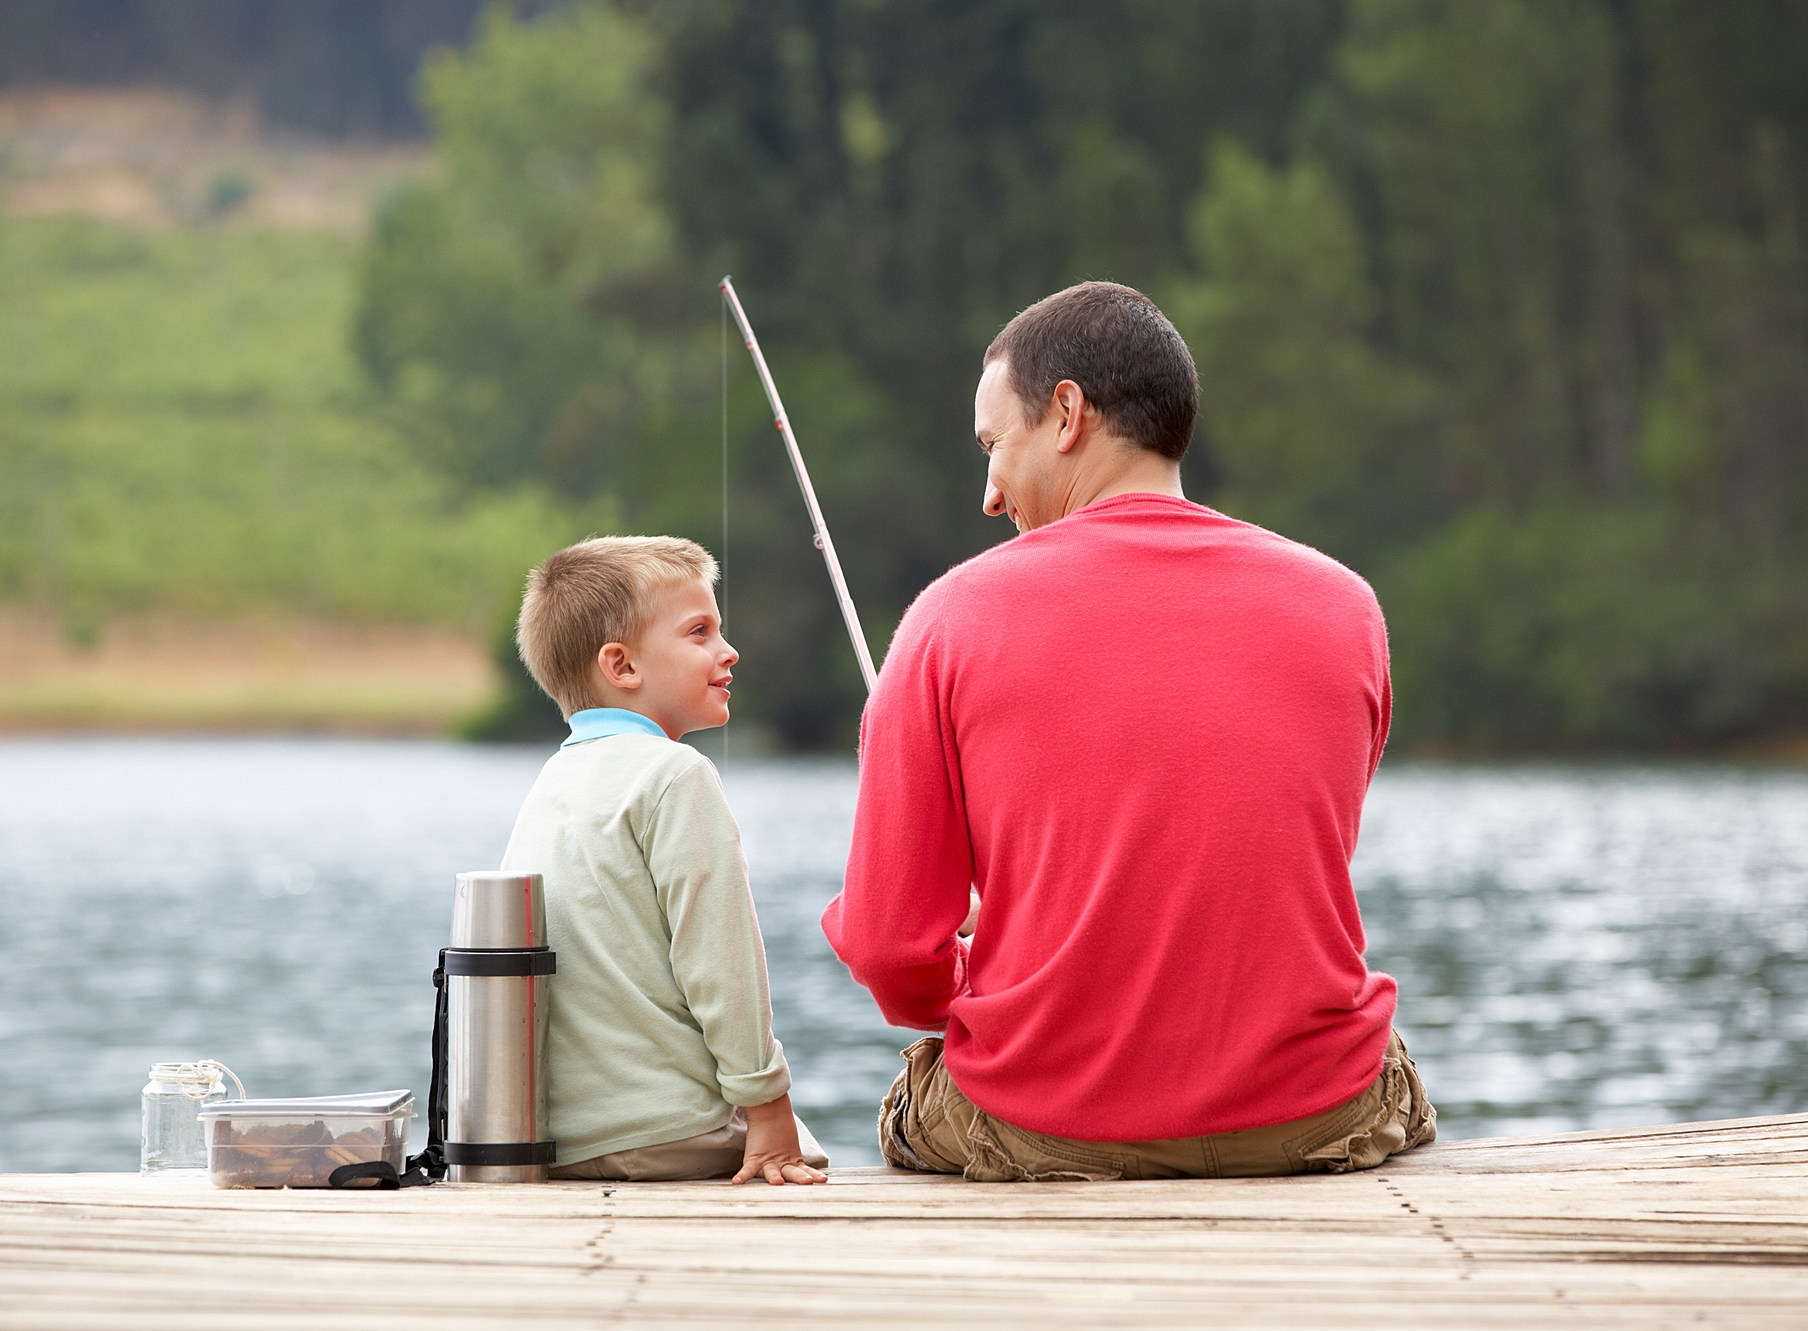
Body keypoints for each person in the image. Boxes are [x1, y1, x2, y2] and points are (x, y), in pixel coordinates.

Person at [822, 282, 1435, 1181]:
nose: (989, 494)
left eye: (995, 445)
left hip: (1049, 1123)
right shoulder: (1346, 606)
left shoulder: (950, 617)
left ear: (1065, 412)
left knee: (913, 1098)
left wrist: (970, 975)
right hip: (1313, 1116)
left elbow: (887, 952)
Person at [502, 535, 828, 1185]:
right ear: (621, 666)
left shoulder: (552, 782)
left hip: (562, 1140)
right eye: (699, 631)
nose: (727, 651)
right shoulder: (675, 775)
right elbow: (719, 959)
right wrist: (767, 1105)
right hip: (667, 1130)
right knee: (808, 1151)